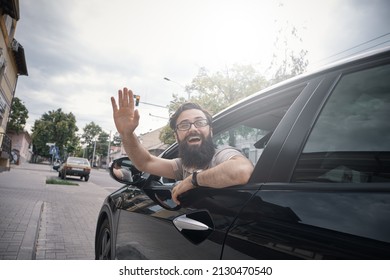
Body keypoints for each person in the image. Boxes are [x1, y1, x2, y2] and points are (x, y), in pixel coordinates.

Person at [111, 87, 254, 204]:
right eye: (184, 125)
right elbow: (145, 162)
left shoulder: (221, 155)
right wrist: (127, 134)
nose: (193, 129)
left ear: (210, 131)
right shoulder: (183, 166)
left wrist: (193, 180)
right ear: (176, 137)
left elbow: (241, 171)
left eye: (200, 122)